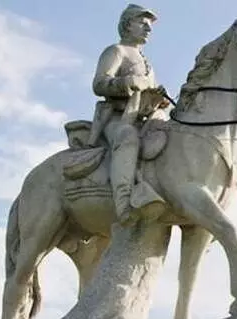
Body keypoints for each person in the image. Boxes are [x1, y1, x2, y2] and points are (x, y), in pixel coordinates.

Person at [91, 4, 169, 225]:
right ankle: (124, 203)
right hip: (118, 118)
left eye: (149, 25)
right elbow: (99, 84)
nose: (148, 29)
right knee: (128, 138)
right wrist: (128, 82)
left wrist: (158, 98)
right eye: (143, 23)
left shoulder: (147, 63)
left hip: (144, 118)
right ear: (127, 25)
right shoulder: (117, 51)